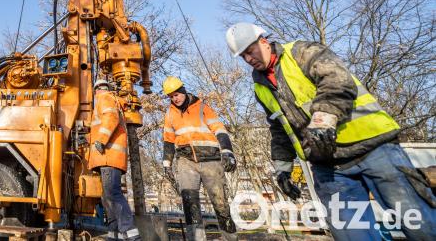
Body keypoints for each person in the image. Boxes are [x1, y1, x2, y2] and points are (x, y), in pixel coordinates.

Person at [226, 22, 436, 241]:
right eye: (243, 57)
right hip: (329, 167)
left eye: (250, 51)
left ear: (263, 41)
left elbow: (338, 81)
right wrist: (282, 169)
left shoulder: (301, 52)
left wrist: (324, 118)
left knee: (421, 224)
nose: (249, 59)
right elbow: (279, 129)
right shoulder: (260, 86)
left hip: (374, 148)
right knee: (353, 235)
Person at [161, 76, 238, 241]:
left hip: (211, 159)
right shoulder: (169, 113)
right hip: (185, 161)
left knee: (220, 202)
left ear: (183, 90)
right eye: (171, 96)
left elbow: (219, 129)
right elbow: (168, 139)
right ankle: (196, 238)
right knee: (189, 202)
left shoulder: (203, 107)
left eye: (177, 94)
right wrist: (166, 164)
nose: (175, 98)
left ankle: (230, 237)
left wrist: (227, 151)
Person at [88, 79, 140, 241]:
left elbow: (111, 118)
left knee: (113, 194)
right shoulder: (111, 100)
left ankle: (130, 232)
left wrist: (101, 140)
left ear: (97, 90)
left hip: (108, 156)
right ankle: (114, 232)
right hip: (107, 157)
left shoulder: (105, 98)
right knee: (107, 196)